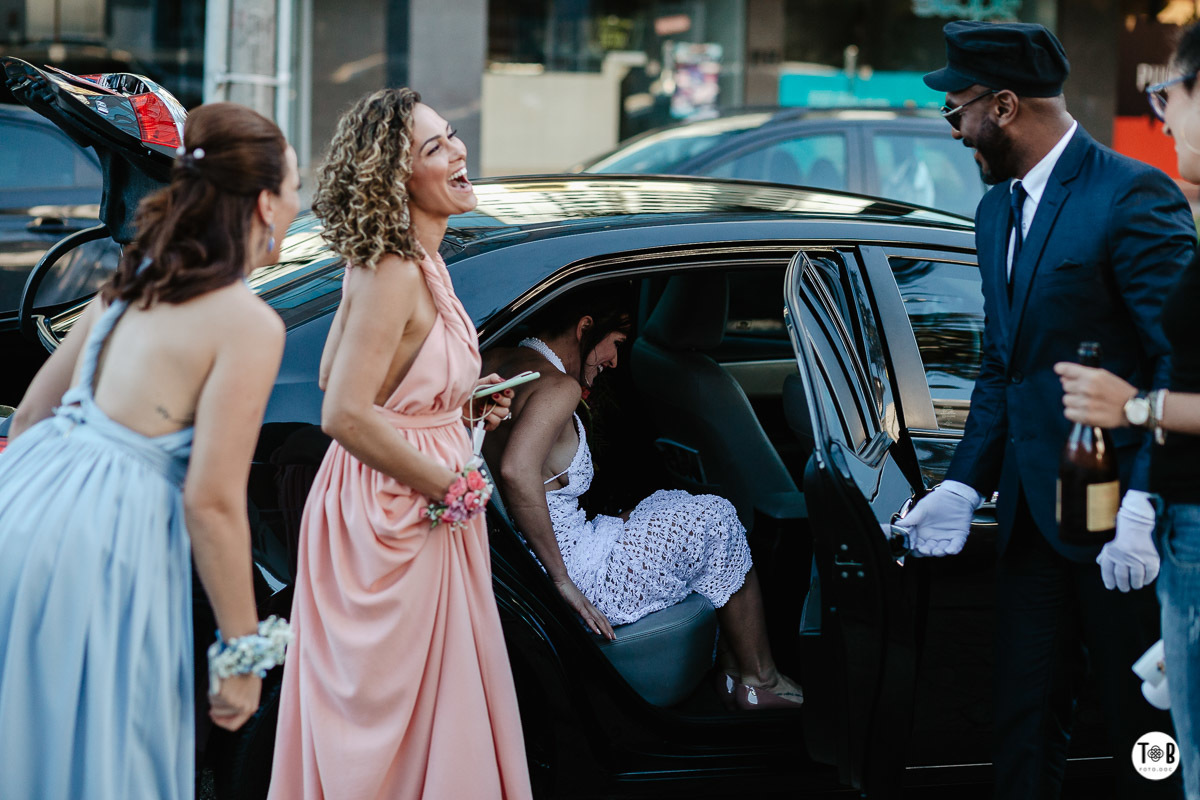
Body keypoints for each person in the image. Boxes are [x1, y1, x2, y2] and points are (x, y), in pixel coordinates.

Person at [895, 21, 1195, 798]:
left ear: (1002, 106)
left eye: (955, 110)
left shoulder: (1131, 194)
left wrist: (1145, 502)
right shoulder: (996, 210)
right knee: (1021, 722)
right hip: (1032, 517)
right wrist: (964, 484)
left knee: (1146, 734)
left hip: (1126, 528)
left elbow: (1177, 359)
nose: (953, 129)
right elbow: (1004, 364)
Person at [0, 102, 300, 800]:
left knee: (31, 745)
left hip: (23, 516)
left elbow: (39, 412)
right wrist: (243, 653)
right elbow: (212, 499)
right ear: (262, 203)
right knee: (106, 753)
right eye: (292, 188)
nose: (296, 204)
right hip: (105, 547)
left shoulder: (127, 288)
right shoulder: (249, 324)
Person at [267, 88, 532, 800]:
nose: (458, 153)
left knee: (432, 714)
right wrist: (449, 483)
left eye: (452, 136)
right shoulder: (391, 270)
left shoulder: (419, 261)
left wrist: (459, 407)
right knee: (392, 727)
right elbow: (344, 412)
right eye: (434, 149)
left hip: (416, 506)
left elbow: (360, 380)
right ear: (396, 180)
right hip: (396, 516)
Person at [481, 290, 804, 710]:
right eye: (614, 342)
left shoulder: (496, 360)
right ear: (584, 328)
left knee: (668, 508)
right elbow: (516, 471)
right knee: (718, 518)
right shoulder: (557, 386)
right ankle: (760, 679)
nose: (615, 360)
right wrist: (562, 581)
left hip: (528, 555)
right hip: (571, 571)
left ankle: (730, 670)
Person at [1056, 21, 1200, 798]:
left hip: (1190, 527)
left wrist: (1136, 409)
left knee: (1185, 762)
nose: (1162, 117)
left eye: (1166, 94)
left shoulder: (1147, 203)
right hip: (1181, 529)